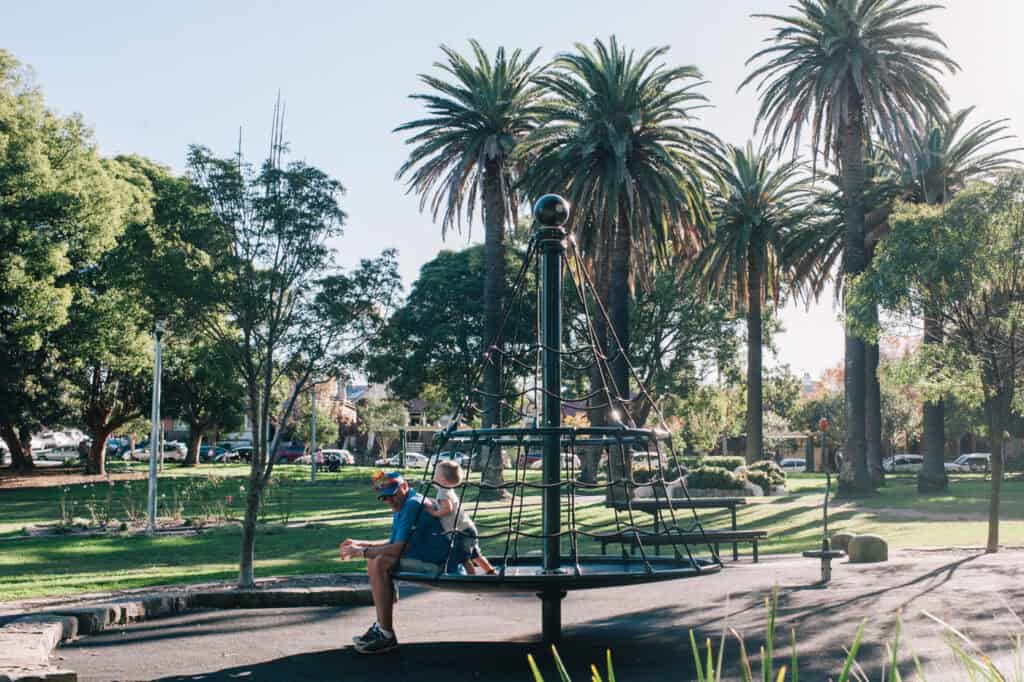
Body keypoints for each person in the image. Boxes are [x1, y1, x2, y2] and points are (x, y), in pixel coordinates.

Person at [339, 471, 449, 654]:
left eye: (393, 495)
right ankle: (383, 628)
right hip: (422, 558)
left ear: (404, 486)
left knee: (379, 562)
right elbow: (393, 543)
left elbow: (399, 549)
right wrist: (361, 544)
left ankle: (385, 632)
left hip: (435, 563)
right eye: (384, 498)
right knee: (376, 560)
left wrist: (363, 552)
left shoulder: (412, 505)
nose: (389, 501)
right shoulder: (404, 503)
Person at [424, 460, 496, 575]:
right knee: (475, 554)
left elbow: (448, 508)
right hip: (468, 528)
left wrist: (433, 513)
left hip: (461, 532)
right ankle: (490, 571)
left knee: (463, 557)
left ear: (443, 480)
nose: (433, 477)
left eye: (435, 474)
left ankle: (471, 576)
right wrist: (434, 503)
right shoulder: (448, 491)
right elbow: (446, 505)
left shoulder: (442, 493)